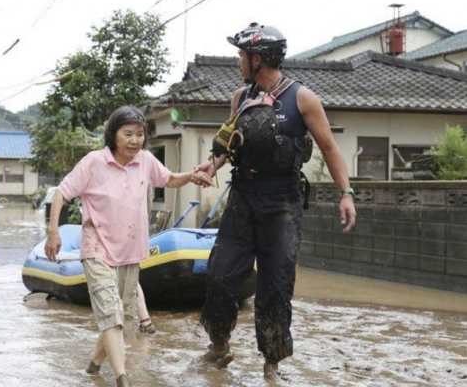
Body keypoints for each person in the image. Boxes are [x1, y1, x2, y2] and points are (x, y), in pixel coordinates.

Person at [194, 23, 357, 381]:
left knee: (276, 286)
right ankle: (219, 346)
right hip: (243, 198)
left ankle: (271, 366)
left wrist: (346, 193)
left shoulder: (302, 99)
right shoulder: (239, 98)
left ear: (259, 59)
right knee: (220, 276)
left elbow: (329, 148)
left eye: (242, 55)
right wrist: (213, 164)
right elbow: (228, 143)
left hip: (282, 203)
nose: (238, 60)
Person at [45, 105, 211, 387]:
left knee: (121, 315)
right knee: (111, 313)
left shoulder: (145, 160)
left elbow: (169, 179)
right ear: (114, 134)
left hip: (130, 251)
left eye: (139, 134)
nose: (135, 140)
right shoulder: (94, 162)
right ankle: (123, 378)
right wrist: (52, 231)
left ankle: (94, 366)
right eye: (128, 134)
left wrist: (192, 175)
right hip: (96, 247)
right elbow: (62, 193)